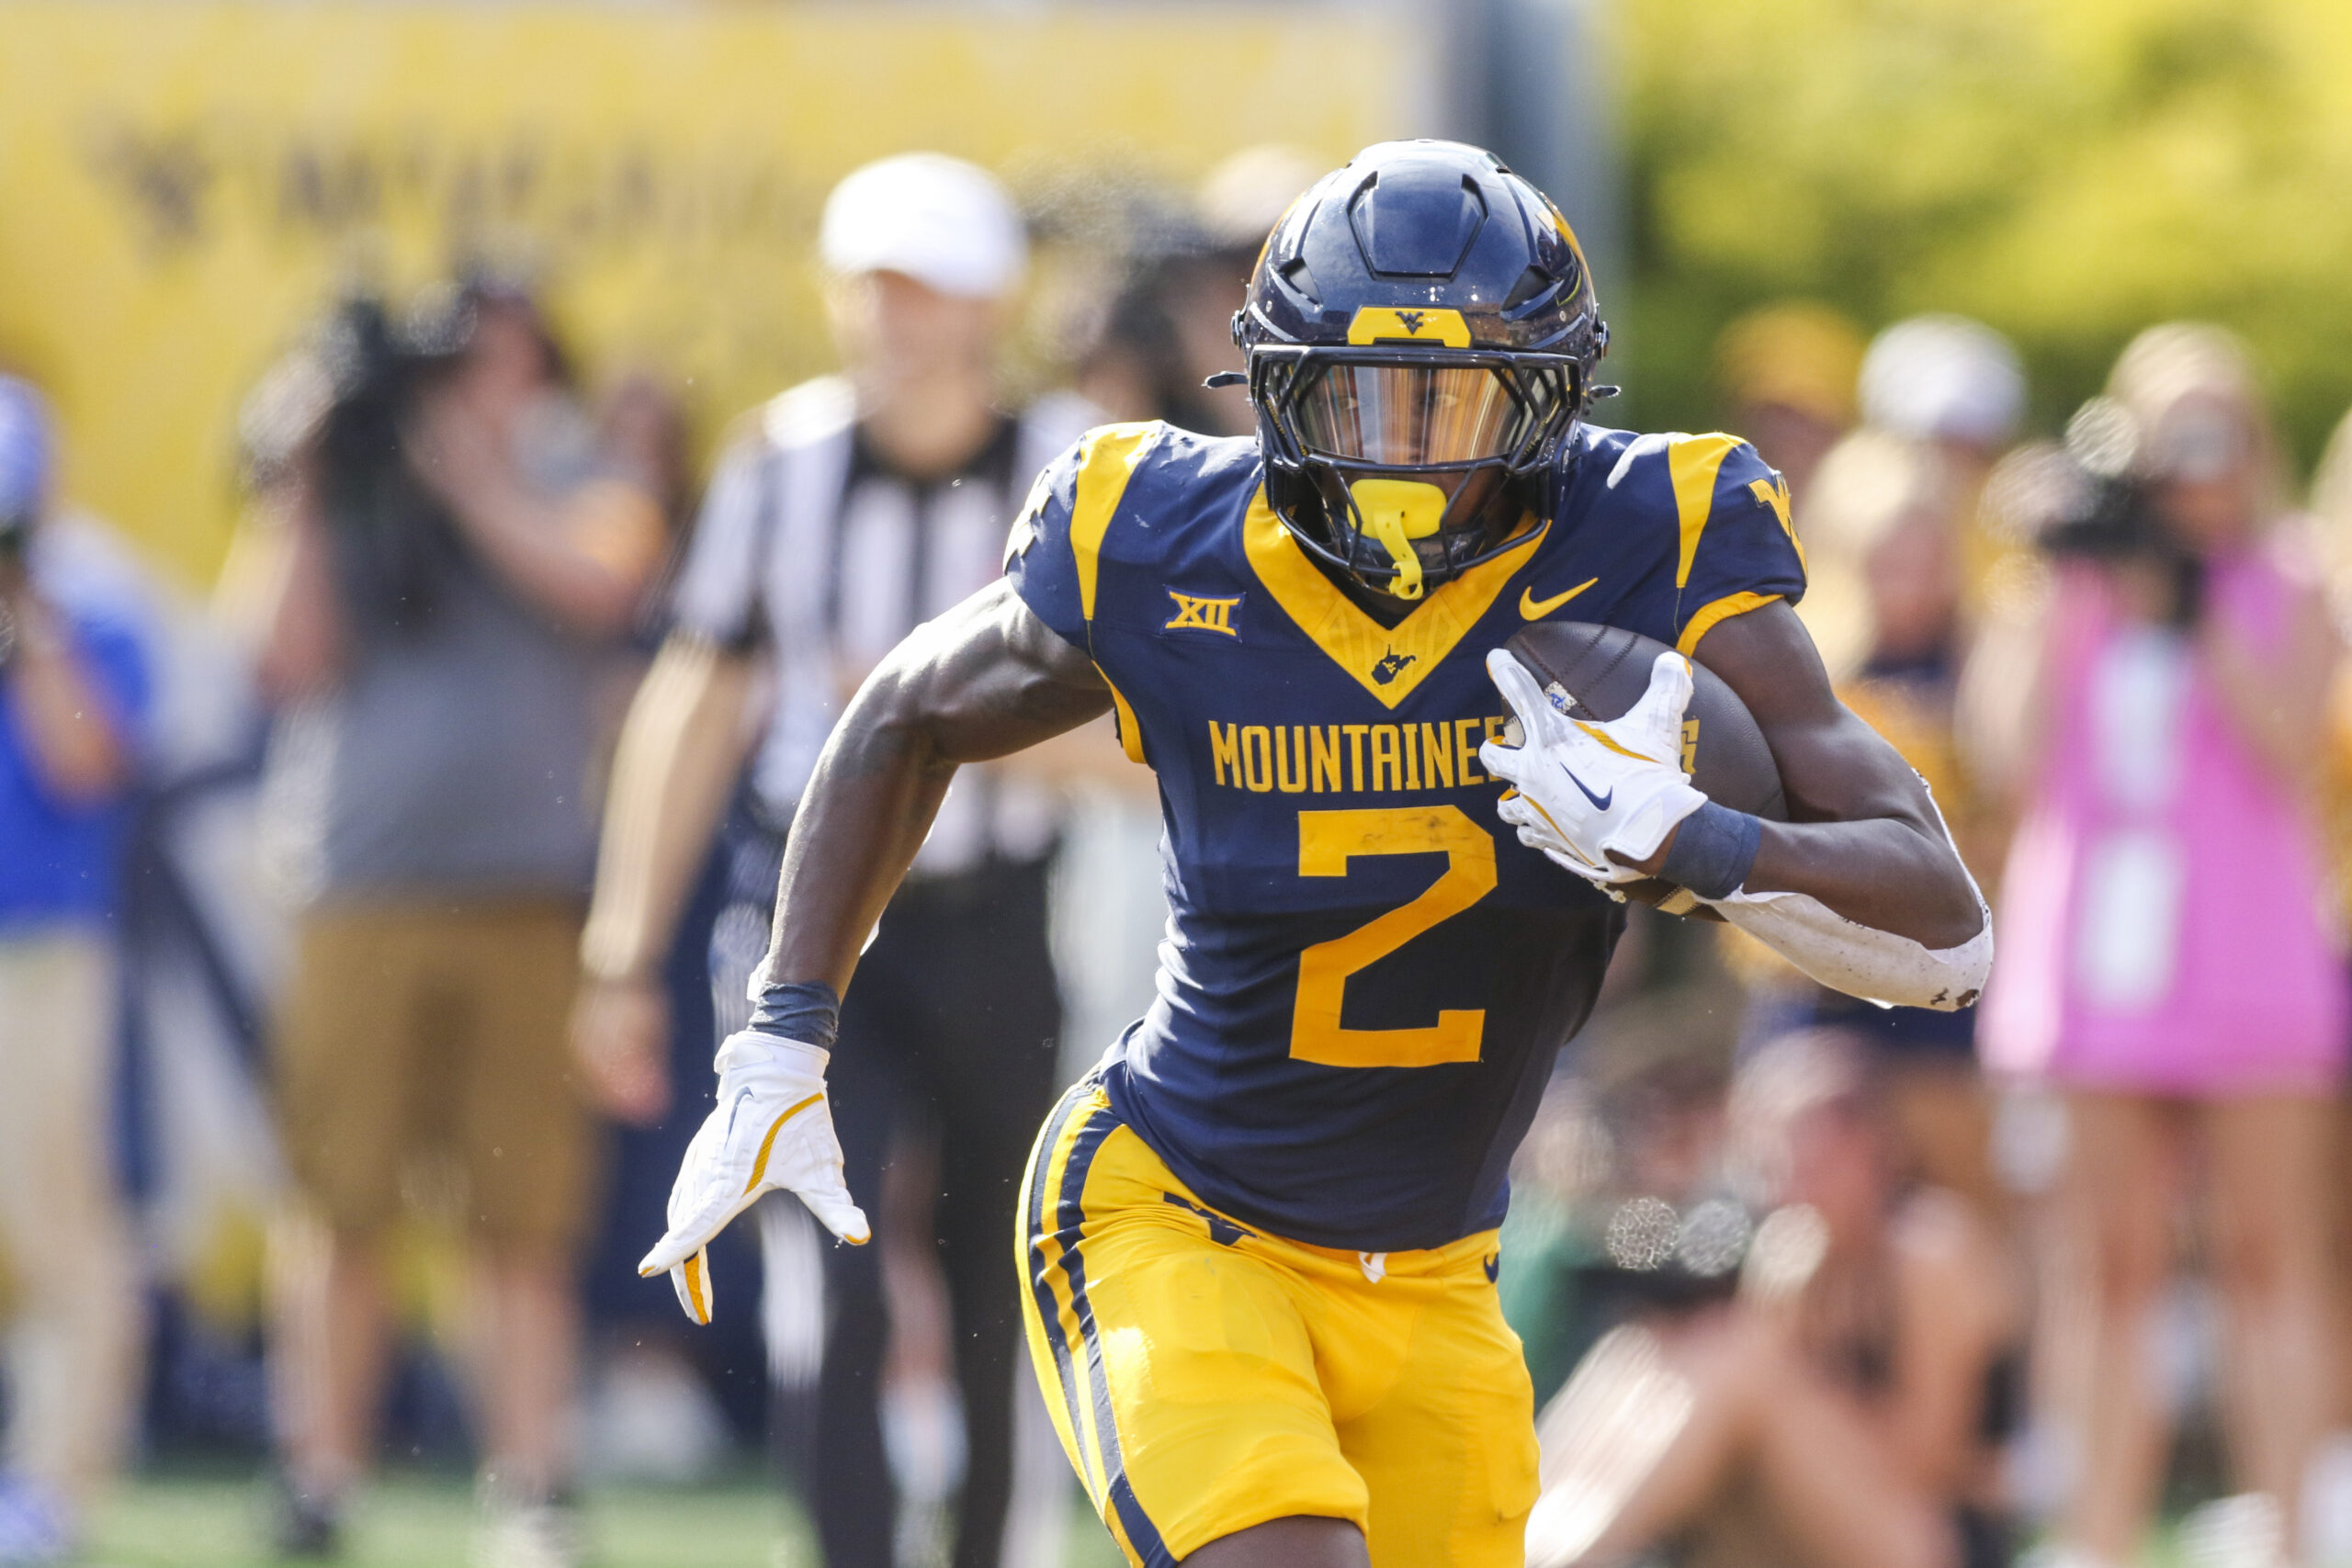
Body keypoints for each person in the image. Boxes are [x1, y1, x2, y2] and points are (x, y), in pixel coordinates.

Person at [637, 140, 1990, 1568]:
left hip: (1439, 1277)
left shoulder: (1651, 530)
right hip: (1177, 1211)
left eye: (1455, 395)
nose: (1408, 448)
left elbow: (1947, 929)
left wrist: (1697, 838)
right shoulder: (1166, 531)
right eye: (1363, 392)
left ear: (1548, 397)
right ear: (1278, 383)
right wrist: (783, 1029)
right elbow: (904, 710)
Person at [570, 152, 1094, 1568]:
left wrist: (942, 722)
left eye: (925, 287)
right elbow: (696, 701)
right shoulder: (781, 463)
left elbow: (1144, 740)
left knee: (995, 1278)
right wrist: (621, 948)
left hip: (996, 914)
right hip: (809, 927)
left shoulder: (1072, 467)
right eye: (874, 286)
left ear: (990, 304)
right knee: (825, 1265)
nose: (894, 318)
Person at [250, 280, 664, 1562]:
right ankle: (321, 1476)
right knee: (337, 1199)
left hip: (526, 894)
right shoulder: (359, 485)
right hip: (356, 887)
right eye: (456, 365)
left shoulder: (581, 471)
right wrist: (306, 482)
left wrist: (472, 482)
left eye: (502, 361)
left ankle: (529, 1481)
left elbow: (601, 582)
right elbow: (275, 655)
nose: (475, 387)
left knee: (521, 1212)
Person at [1973, 324, 2346, 1568]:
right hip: (2100, 965)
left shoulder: (2287, 578)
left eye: (2216, 430)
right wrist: (2047, 570)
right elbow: (2007, 754)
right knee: (2105, 1267)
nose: (2195, 460)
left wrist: (2192, 609)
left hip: (2247, 959)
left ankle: (2291, 1536)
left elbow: (2291, 744)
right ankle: (2097, 1538)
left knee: (2267, 1261)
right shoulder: (2079, 580)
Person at [1523, 1031, 2020, 1568]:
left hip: (1940, 1537)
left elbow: (1930, 1459)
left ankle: (1569, 1558)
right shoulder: (1797, 1252)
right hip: (1839, 1510)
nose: (1785, 1188)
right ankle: (1524, 1533)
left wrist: (1799, 1394)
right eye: (1771, 1165)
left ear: (1872, 1147)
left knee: (1744, 1365)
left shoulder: (1928, 1246)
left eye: (1809, 1160)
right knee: (1648, 1347)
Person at [0, 376, 150, 1566]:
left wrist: (29, 627)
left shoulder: (92, 600)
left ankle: (55, 1481)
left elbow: (88, 763)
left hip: (40, 950)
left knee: (54, 1215)